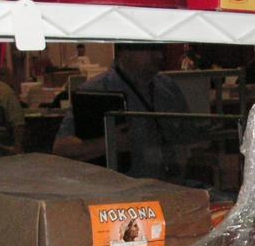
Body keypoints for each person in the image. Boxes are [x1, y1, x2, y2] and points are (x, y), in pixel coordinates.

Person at [53, 42, 190, 180]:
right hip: (121, 187)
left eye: (160, 49)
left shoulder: (168, 87)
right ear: (126, 51)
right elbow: (61, 149)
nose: (160, 56)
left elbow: (189, 136)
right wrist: (108, 143)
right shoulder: (95, 91)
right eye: (151, 49)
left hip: (170, 184)